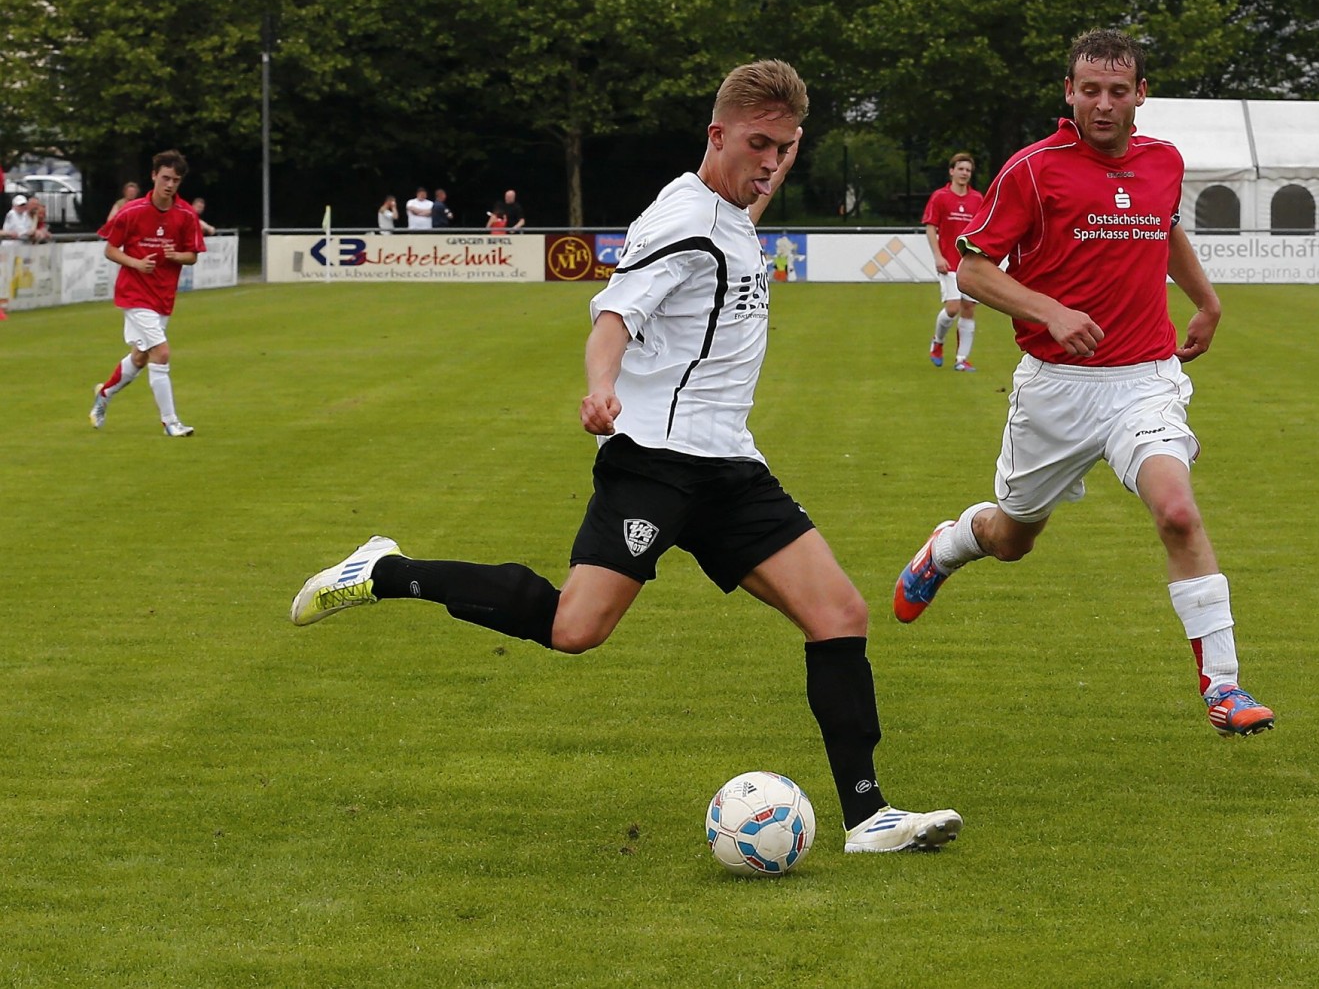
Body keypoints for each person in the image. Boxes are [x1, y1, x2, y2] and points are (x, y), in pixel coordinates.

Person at [290, 60, 962, 855]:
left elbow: (761, 166)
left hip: (732, 468)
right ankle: (384, 569)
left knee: (839, 614)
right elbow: (613, 315)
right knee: (575, 628)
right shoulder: (680, 220)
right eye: (758, 146)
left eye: (785, 148)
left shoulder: (738, 200)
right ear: (716, 136)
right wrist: (599, 388)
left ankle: (869, 816)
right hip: (653, 462)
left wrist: (777, 148)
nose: (772, 163)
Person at [891, 29, 1275, 739]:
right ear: (1069, 93)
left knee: (1179, 513)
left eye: (1118, 91)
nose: (1104, 103)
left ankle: (1224, 685)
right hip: (1056, 388)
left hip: (1145, 379)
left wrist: (1208, 300)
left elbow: (1164, 230)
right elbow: (973, 269)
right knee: (1011, 538)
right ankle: (946, 546)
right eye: (1090, 90)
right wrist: (1050, 310)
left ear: (1141, 95)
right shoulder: (1033, 170)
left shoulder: (1165, 161)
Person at [88, 149, 207, 437]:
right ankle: (170, 422)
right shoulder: (132, 211)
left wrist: (176, 256)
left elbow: (192, 255)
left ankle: (103, 395)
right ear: (154, 176)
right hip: (134, 294)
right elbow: (110, 249)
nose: (170, 185)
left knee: (141, 357)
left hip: (163, 296)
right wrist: (136, 263)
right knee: (161, 353)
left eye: (175, 180)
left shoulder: (186, 215)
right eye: (165, 178)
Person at [922, 152, 984, 371]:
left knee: (968, 308)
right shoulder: (940, 197)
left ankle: (961, 359)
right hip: (948, 263)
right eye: (961, 169)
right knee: (952, 307)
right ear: (951, 171)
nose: (964, 173)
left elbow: (982, 231)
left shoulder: (977, 199)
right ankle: (937, 342)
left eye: (968, 170)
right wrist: (938, 256)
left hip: (969, 265)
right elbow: (931, 227)